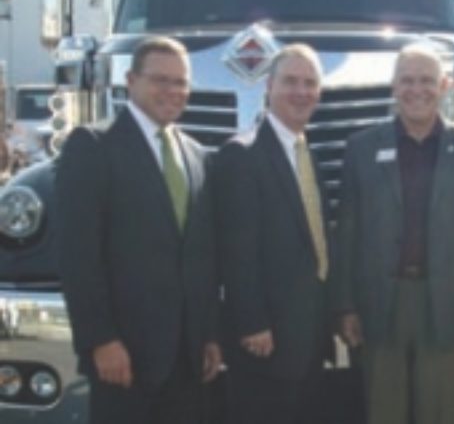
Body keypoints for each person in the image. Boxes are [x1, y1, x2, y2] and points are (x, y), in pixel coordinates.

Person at [334, 44, 454, 424]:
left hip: (447, 308)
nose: (417, 89)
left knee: (439, 414)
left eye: (427, 80)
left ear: (444, 86)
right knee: (383, 412)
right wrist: (345, 305)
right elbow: (347, 233)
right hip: (380, 306)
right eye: (407, 80)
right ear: (393, 87)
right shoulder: (361, 149)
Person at [57, 36, 222, 424]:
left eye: (181, 82)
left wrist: (210, 334)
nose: (173, 91)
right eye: (160, 80)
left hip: (186, 359)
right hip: (124, 357)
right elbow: (78, 257)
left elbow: (202, 255)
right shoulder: (93, 146)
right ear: (130, 81)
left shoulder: (197, 156)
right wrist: (100, 340)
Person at [213, 43, 330, 424]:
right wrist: (251, 323)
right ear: (268, 87)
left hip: (308, 336)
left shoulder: (305, 152)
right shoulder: (242, 155)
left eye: (310, 83)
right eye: (291, 81)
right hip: (265, 340)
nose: (301, 92)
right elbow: (237, 250)